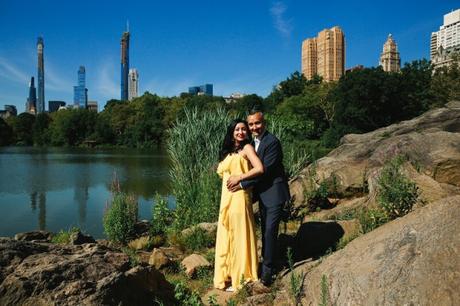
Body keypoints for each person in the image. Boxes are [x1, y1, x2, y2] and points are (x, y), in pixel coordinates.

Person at [227, 111, 290, 286]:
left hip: (275, 193)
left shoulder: (272, 142)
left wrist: (241, 183)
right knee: (264, 231)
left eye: (258, 123)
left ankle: (267, 275)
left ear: (264, 123)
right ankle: (265, 263)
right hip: (262, 194)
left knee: (270, 232)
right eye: (251, 124)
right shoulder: (251, 143)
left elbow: (265, 171)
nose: (254, 127)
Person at [214, 119, 264, 292]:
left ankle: (241, 278)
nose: (241, 132)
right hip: (226, 198)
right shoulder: (227, 151)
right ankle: (227, 275)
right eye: (237, 129)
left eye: (244, 129)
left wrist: (239, 178)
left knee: (239, 235)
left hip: (239, 197)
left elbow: (259, 168)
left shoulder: (247, 148)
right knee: (227, 235)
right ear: (232, 132)